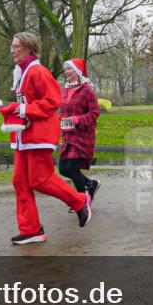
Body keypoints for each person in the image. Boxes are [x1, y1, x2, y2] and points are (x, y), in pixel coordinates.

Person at [0, 32, 93, 245]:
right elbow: (28, 103)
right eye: (12, 46)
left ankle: (80, 201)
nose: (12, 50)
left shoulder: (38, 71)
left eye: (16, 46)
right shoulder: (21, 72)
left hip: (39, 135)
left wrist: (24, 109)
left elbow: (52, 101)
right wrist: (14, 109)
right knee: (20, 182)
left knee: (40, 179)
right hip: (24, 136)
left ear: (29, 48)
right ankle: (31, 230)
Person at [58, 58, 101, 209]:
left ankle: (81, 201)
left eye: (69, 69)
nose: (66, 72)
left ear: (77, 71)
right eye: (65, 69)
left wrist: (78, 119)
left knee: (72, 168)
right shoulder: (64, 90)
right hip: (67, 135)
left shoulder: (87, 91)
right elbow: (62, 111)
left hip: (82, 136)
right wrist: (59, 120)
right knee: (63, 169)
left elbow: (95, 113)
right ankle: (91, 184)